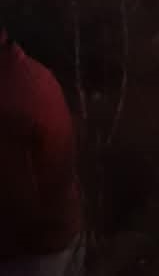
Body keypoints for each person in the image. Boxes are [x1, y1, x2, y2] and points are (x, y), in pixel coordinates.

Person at [0, 22, 83, 276]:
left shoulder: (8, 106)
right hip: (66, 232)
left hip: (37, 255)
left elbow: (13, 211)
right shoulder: (33, 72)